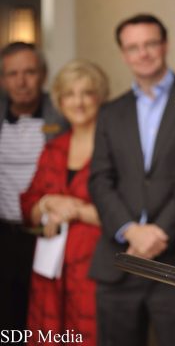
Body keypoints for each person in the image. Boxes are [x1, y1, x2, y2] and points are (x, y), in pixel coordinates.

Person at [88, 14, 175, 346]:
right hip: (121, 260)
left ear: (165, 45)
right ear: (123, 54)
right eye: (133, 47)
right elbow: (100, 180)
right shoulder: (110, 111)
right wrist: (131, 230)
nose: (143, 53)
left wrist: (160, 232)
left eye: (150, 44)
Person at [20, 59, 109, 345]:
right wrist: (47, 203)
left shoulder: (115, 148)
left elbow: (129, 212)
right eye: (70, 94)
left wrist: (77, 210)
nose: (78, 102)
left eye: (87, 93)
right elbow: (28, 206)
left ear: (100, 97)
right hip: (50, 272)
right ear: (59, 101)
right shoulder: (53, 148)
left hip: (94, 269)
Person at [0, 42, 67, 337]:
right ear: (3, 79)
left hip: (48, 238)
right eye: (12, 73)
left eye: (29, 72)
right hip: (4, 234)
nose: (21, 81)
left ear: (43, 75)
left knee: (45, 322)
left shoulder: (62, 117)